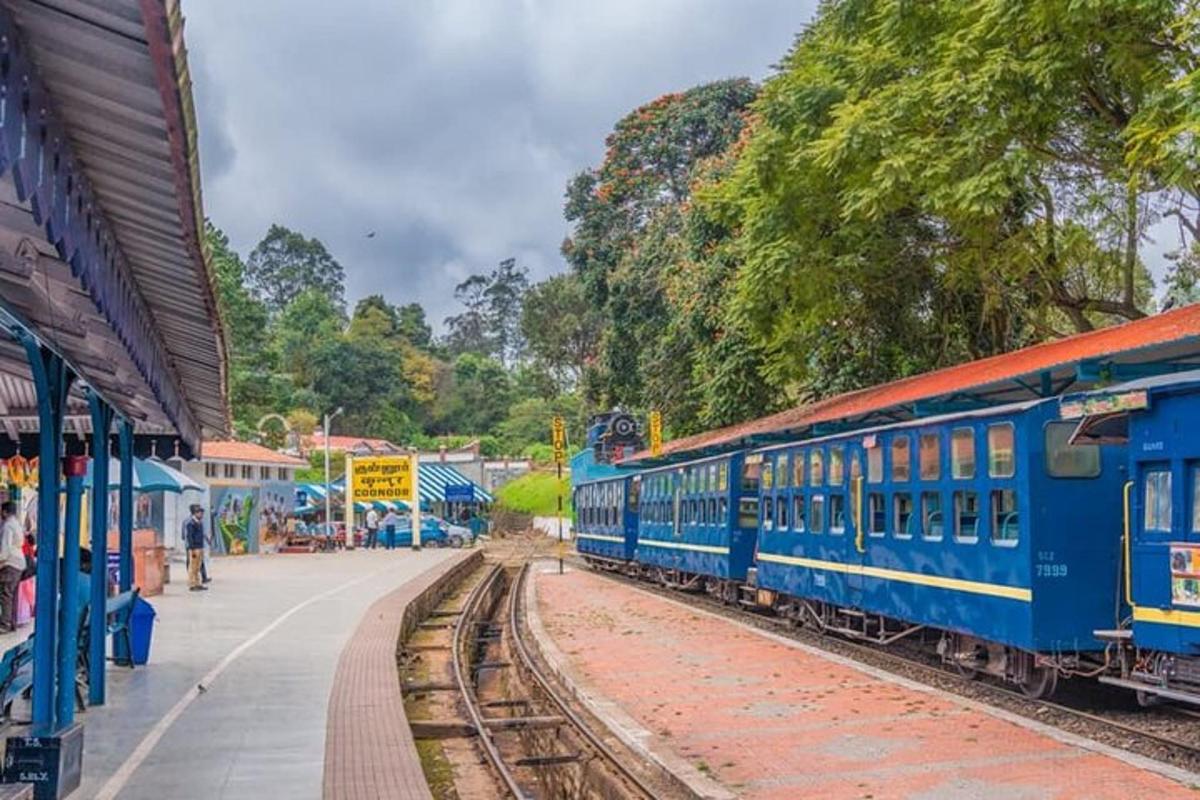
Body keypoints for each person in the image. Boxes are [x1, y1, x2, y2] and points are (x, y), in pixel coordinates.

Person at [0, 502, 26, 632]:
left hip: (10, 563)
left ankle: (4, 624)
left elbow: (5, 549)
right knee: (12, 594)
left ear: (4, 512)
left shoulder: (7, 526)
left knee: (6, 594)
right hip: (19, 563)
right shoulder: (17, 524)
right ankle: (12, 623)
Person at [184, 504, 207, 592]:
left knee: (198, 567)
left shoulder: (199, 523)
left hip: (200, 547)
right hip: (194, 548)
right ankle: (192, 584)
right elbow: (190, 537)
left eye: (202, 513)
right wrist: (192, 549)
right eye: (200, 513)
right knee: (192, 567)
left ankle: (198, 583)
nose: (201, 515)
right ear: (195, 513)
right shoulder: (191, 524)